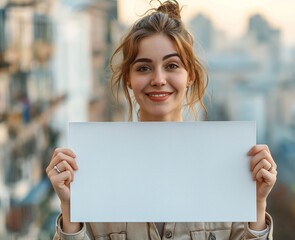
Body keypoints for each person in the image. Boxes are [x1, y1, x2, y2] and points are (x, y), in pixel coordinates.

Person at [46, 1, 277, 239]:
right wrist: (70, 209)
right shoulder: (93, 169)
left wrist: (258, 204)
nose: (158, 79)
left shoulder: (227, 165)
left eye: (172, 65)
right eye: (144, 68)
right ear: (128, 78)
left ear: (190, 76)